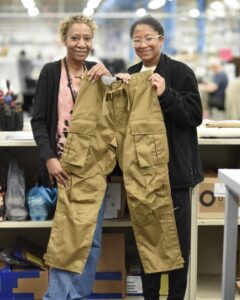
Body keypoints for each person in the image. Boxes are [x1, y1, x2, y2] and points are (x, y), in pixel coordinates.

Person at [116, 15, 204, 300]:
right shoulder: (131, 74)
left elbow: (194, 116)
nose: (143, 45)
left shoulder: (180, 72)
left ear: (161, 40)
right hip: (142, 174)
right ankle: (150, 296)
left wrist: (166, 93)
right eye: (137, 40)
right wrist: (118, 92)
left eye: (148, 38)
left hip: (174, 174)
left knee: (177, 246)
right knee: (148, 240)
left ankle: (176, 297)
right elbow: (120, 124)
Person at [31, 14, 111, 299]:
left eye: (87, 38)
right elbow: (38, 121)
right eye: (75, 37)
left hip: (93, 169)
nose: (81, 44)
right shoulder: (52, 72)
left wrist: (114, 80)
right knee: (67, 240)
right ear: (64, 39)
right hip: (63, 169)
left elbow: (114, 118)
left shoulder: (98, 73)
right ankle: (57, 297)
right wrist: (49, 158)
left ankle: (79, 295)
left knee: (92, 240)